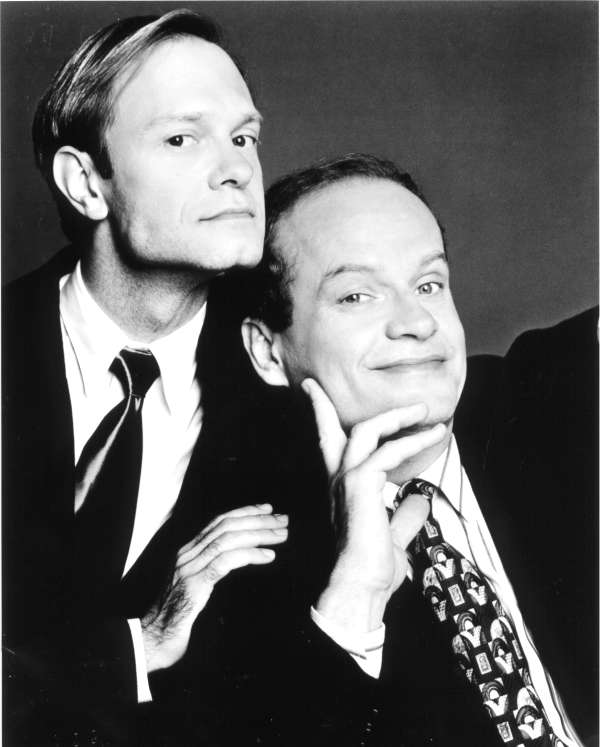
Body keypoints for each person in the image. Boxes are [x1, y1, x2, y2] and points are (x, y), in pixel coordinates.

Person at [2, 10, 291, 745]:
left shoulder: (287, 376)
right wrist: (142, 642)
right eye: (181, 139)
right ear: (85, 183)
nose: (236, 170)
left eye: (244, 137)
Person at [241, 153, 598, 746]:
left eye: (428, 285)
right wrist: (356, 602)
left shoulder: (553, 410)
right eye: (357, 296)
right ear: (268, 350)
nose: (416, 322)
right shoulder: (244, 568)